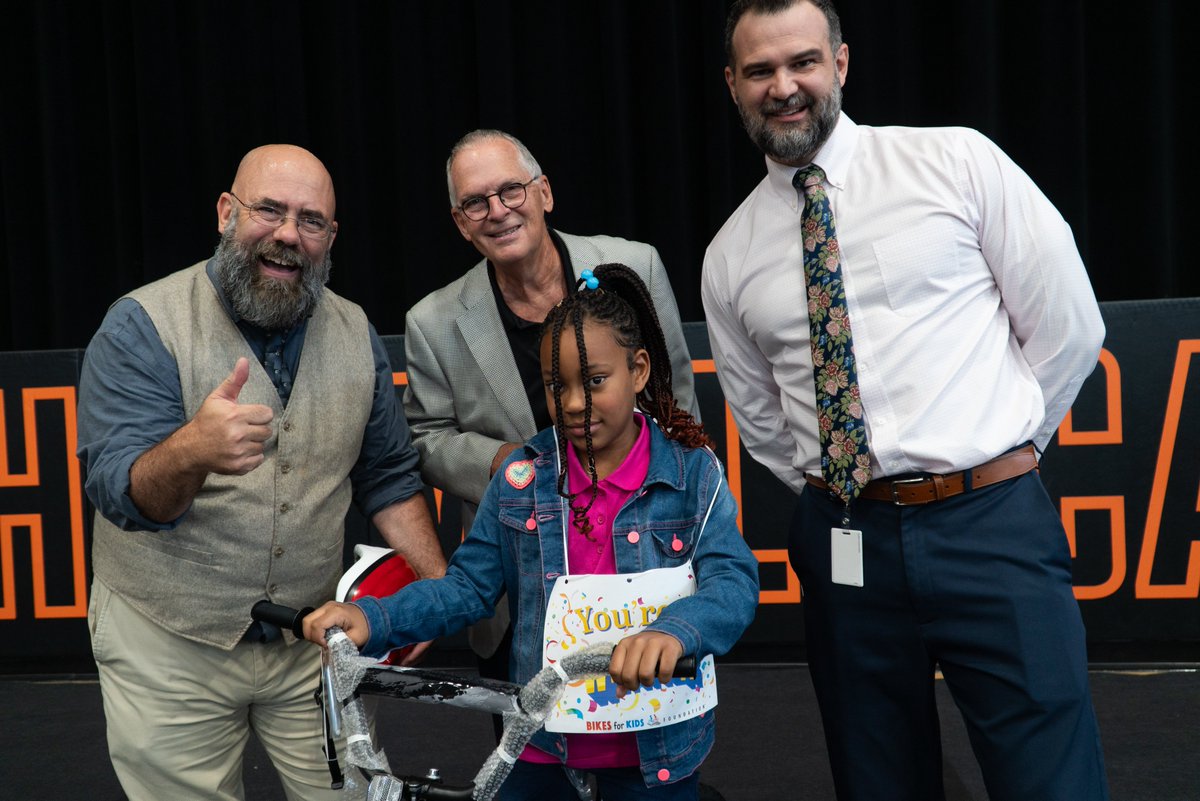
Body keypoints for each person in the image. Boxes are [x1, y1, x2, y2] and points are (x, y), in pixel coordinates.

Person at [702, 2, 1109, 800]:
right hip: (845, 538)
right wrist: (851, 492)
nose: (784, 87)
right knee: (877, 778)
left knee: (1050, 779)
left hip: (991, 526)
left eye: (803, 62)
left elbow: (1067, 326)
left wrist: (1002, 457)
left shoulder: (954, 162)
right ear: (733, 84)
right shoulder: (730, 254)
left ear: (841, 64)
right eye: (760, 71)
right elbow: (762, 424)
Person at [304, 264, 759, 800]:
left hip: (655, 757)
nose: (571, 403)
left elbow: (732, 582)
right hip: (539, 748)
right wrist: (372, 618)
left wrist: (676, 631)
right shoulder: (523, 479)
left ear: (638, 370)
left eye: (593, 382)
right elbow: (466, 588)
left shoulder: (692, 472)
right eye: (555, 385)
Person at [77, 144, 448, 801]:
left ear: (331, 238)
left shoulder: (355, 331)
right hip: (170, 640)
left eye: (310, 220)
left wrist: (435, 592)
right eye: (268, 210)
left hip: (313, 639)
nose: (286, 233)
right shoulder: (141, 325)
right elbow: (123, 494)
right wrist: (190, 449)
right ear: (226, 211)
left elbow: (389, 476)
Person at [402, 129, 698, 721]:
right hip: (517, 590)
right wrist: (504, 463)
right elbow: (426, 441)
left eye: (510, 190)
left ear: (544, 193)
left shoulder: (631, 266)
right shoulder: (432, 320)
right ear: (461, 223)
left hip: (643, 570)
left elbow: (676, 401)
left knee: (647, 746)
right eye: (476, 203)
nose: (497, 212)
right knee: (525, 762)